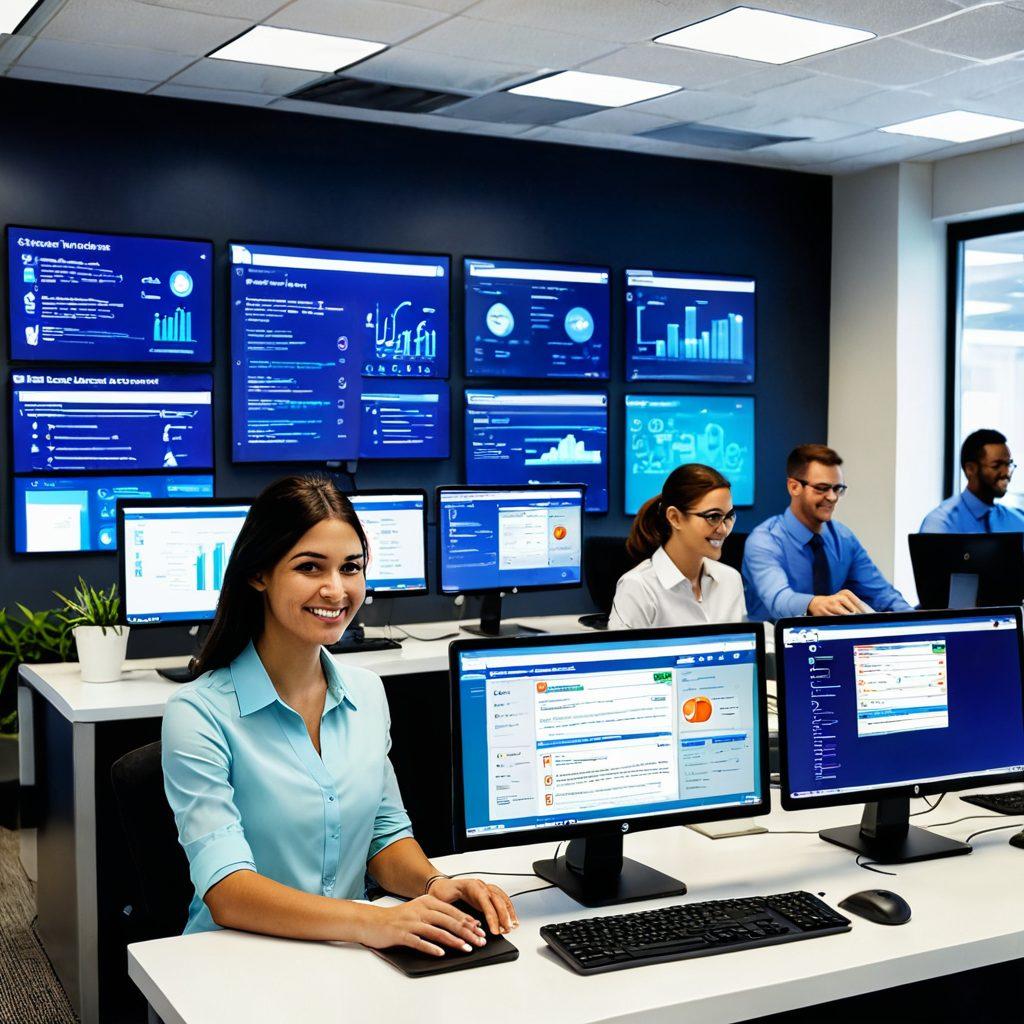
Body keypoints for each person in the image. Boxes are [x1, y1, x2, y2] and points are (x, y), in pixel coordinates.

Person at [162, 475, 515, 956]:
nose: (335, 589)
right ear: (258, 573)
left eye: (350, 568)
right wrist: (372, 919)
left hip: (347, 951)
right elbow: (227, 891)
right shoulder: (198, 713)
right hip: (236, 957)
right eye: (310, 567)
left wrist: (435, 884)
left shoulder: (367, 694)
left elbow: (385, 837)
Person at [742, 444, 911, 620]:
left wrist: (921, 624)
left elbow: (882, 595)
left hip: (830, 642)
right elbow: (780, 601)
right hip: (772, 643)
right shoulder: (764, 541)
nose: (832, 497)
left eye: (837, 488)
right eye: (822, 488)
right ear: (794, 487)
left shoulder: (844, 538)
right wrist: (813, 604)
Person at [609, 464, 746, 629]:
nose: (724, 529)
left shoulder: (731, 579)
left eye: (729, 516)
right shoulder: (638, 587)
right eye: (713, 517)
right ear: (675, 518)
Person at [920, 429, 1024, 533]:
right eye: (996, 466)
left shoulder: (1018, 520)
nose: (1006, 473)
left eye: (1008, 464)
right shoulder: (941, 523)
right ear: (970, 469)